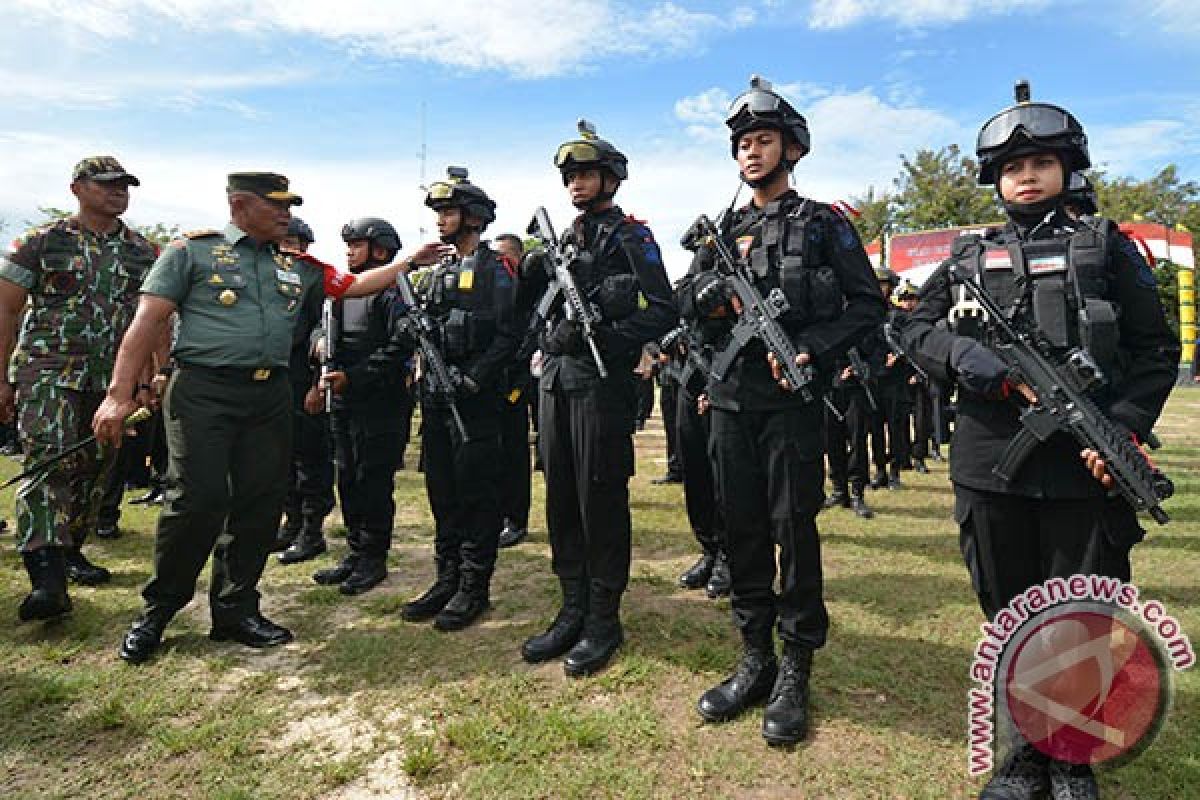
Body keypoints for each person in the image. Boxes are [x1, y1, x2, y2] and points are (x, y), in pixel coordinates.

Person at [901, 82, 1179, 799]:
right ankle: (1025, 750)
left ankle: (1072, 756)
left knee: (1083, 613)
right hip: (991, 462)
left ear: (1068, 168)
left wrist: (1121, 425)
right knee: (1011, 606)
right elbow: (908, 329)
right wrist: (976, 363)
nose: (1026, 174)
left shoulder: (1108, 247)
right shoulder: (968, 256)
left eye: (1041, 161)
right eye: (1011, 165)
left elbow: (1155, 350)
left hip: (1085, 468)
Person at [94, 172, 413, 664]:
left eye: (289, 207)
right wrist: (118, 395)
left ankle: (236, 608)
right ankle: (159, 610)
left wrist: (410, 261)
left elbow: (353, 285)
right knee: (198, 499)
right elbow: (148, 322)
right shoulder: (190, 253)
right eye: (276, 206)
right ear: (240, 204)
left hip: (268, 395)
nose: (286, 215)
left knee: (259, 502)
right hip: (204, 390)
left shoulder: (298, 266)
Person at [681, 76, 884, 745]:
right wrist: (709, 294)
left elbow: (866, 306)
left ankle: (796, 665)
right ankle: (754, 656)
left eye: (763, 140)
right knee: (740, 531)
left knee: (792, 531)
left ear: (790, 148)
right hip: (732, 404)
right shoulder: (724, 229)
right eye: (742, 143)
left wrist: (809, 350)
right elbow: (683, 305)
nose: (751, 152)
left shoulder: (823, 222)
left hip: (791, 405)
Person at [520, 120, 677, 677]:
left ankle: (604, 618)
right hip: (556, 382)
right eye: (569, 177)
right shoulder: (562, 239)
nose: (575, 185)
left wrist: (606, 336)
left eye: (585, 174)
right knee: (560, 495)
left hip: (600, 383)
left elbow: (663, 308)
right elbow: (534, 308)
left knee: (599, 498)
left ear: (610, 177)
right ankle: (571, 607)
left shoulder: (631, 236)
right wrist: (547, 333)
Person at [0, 156, 158, 621]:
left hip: (112, 379)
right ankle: (46, 577)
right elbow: (6, 313)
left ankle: (70, 551)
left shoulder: (141, 251)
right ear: (77, 188)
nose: (119, 192)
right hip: (47, 371)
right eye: (107, 184)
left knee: (96, 465)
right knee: (49, 460)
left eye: (125, 185)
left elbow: (152, 321)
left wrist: (147, 381)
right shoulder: (40, 243)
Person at [398, 168, 518, 631]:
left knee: (476, 494)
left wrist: (474, 380)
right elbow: (421, 319)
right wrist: (410, 328)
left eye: (449, 211)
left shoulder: (496, 269)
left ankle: (474, 587)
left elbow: (510, 334)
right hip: (435, 397)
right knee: (441, 492)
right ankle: (445, 578)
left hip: (475, 400)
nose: (441, 220)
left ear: (473, 217)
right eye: (440, 212)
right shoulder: (438, 271)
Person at [311, 217, 412, 595]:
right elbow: (319, 327)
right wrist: (318, 342)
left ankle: (374, 557)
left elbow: (400, 346)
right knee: (347, 476)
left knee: (373, 480)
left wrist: (355, 376)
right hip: (343, 401)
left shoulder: (392, 293)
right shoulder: (342, 292)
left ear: (380, 251)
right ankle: (355, 551)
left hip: (380, 403)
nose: (348, 251)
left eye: (356, 244)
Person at [276, 216, 337, 564]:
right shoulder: (268, 281)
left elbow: (324, 332)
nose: (289, 250)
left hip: (306, 380)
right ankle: (292, 522)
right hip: (275, 382)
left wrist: (317, 385)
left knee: (309, 460)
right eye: (283, 243)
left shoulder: (315, 281)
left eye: (295, 244)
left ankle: (312, 532)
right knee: (282, 460)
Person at [494, 232, 533, 549]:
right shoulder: (491, 289)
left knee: (514, 451)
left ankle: (516, 519)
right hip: (490, 379)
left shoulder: (529, 291)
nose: (501, 262)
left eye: (507, 256)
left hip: (517, 381)